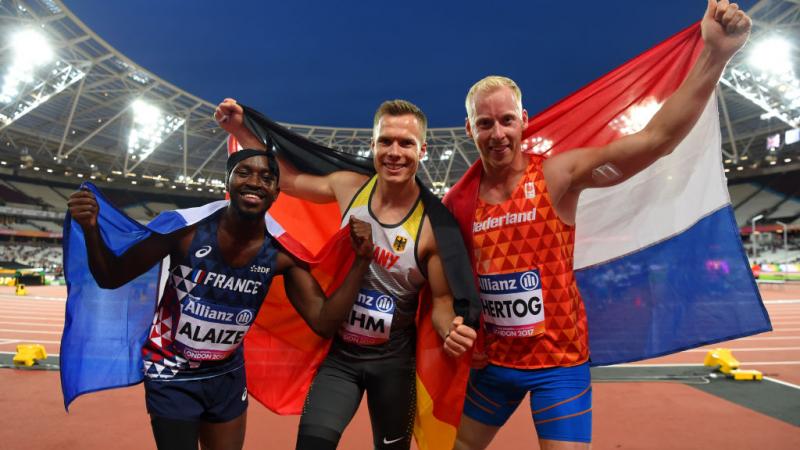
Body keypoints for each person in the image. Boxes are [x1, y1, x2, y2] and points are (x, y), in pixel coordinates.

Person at [446, 1, 752, 449]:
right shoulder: (459, 202)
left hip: (560, 365)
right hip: (495, 365)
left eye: (507, 120)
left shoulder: (557, 175)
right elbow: (441, 279)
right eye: (485, 123)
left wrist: (716, 56)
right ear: (470, 129)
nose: (498, 134)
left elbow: (656, 140)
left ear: (524, 122)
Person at [67, 149, 374, 450]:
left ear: (276, 193)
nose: (255, 181)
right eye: (244, 173)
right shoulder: (185, 230)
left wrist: (361, 262)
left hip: (226, 374)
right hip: (171, 369)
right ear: (227, 181)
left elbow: (323, 321)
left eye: (267, 177)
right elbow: (112, 276)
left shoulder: (280, 253)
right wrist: (92, 230)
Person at [216, 99, 478, 449]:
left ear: (422, 150)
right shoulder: (350, 187)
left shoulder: (433, 227)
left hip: (394, 363)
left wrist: (452, 331)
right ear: (373, 145)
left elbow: (443, 302)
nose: (394, 152)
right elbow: (289, 181)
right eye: (386, 141)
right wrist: (240, 131)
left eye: (406, 143)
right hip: (341, 357)